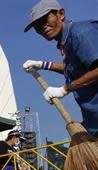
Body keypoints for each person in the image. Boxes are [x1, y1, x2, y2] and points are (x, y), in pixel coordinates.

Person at [23, 0, 98, 137]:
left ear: (61, 14)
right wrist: (43, 64)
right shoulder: (66, 42)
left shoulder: (81, 33)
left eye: (45, 20)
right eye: (37, 26)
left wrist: (65, 89)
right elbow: (75, 69)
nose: (42, 27)